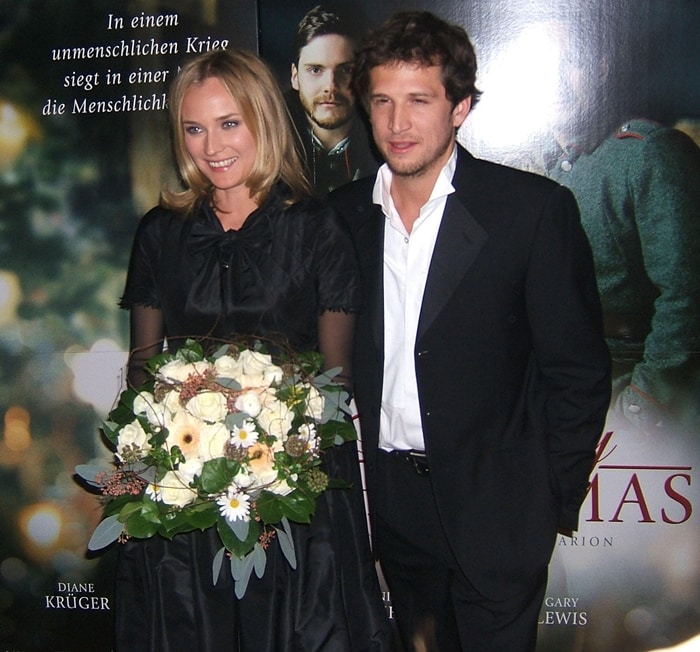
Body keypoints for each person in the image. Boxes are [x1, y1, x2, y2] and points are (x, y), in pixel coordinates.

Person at [329, 11, 611, 652]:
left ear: (460, 107)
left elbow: (579, 371)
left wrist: (547, 502)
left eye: (419, 101)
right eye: (383, 102)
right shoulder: (340, 218)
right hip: (391, 512)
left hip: (500, 512)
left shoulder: (531, 211)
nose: (398, 125)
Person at [116, 48, 392, 651]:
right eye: (194, 128)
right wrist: (160, 457)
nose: (211, 146)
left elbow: (335, 384)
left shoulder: (316, 228)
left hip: (293, 498)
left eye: (228, 123)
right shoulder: (159, 234)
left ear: (263, 121)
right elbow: (142, 374)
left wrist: (277, 460)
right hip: (185, 498)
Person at [536, 19, 700, 439]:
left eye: (570, 64)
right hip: (553, 390)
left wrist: (642, 404)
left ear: (602, 67)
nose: (555, 81)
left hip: (625, 392)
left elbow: (687, 295)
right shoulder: (544, 166)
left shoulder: (648, 155)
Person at [287, 5, 379, 197]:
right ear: (295, 77)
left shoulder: (387, 148)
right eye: (315, 70)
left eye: (345, 70)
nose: (330, 86)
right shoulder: (267, 149)